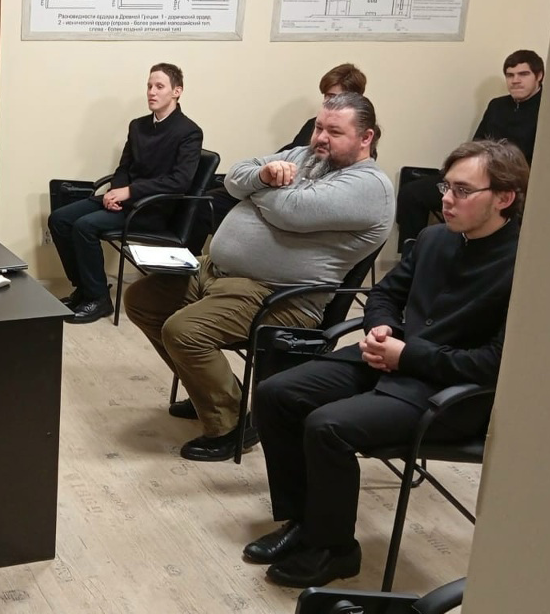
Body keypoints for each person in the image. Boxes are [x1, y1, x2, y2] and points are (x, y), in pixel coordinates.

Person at [247, 139, 528, 588]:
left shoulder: (525, 268)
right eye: (445, 187)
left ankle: (335, 549)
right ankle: (304, 521)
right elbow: (385, 294)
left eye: (462, 190)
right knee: (276, 393)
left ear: (504, 198)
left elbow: (495, 364)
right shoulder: (435, 238)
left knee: (327, 427)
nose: (446, 200)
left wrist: (408, 354)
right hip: (390, 358)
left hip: (447, 393)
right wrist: (382, 327)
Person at [124, 92, 394, 462]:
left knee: (184, 332)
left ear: (366, 137)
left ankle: (233, 426)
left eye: (334, 132)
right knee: (142, 299)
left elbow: (292, 210)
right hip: (217, 272)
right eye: (318, 127)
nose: (320, 138)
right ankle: (212, 393)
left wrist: (257, 188)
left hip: (280, 296)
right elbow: (234, 178)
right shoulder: (305, 155)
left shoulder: (370, 186)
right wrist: (262, 177)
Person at [48, 63, 203, 323]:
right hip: (125, 199)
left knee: (85, 226)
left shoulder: (189, 131)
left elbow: (179, 182)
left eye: (159, 86)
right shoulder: (138, 126)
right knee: (59, 219)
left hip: (151, 208)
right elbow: (124, 167)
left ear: (177, 91)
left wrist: (129, 192)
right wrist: (114, 192)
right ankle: (84, 288)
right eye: (149, 86)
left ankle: (98, 299)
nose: (152, 92)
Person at [190, 64, 368, 249]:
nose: (327, 104)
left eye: (334, 98)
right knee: (206, 191)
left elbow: (308, 199)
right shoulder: (312, 125)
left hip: (285, 195)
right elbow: (286, 154)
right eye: (326, 97)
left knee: (206, 204)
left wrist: (259, 187)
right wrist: (259, 176)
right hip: (272, 182)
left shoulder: (356, 152)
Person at [395, 49, 542, 249]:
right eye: (510, 75)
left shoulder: (544, 109)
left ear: (539, 76)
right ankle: (412, 254)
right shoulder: (497, 105)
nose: (515, 81)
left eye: (523, 74)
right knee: (411, 193)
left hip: (514, 185)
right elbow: (477, 145)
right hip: (478, 176)